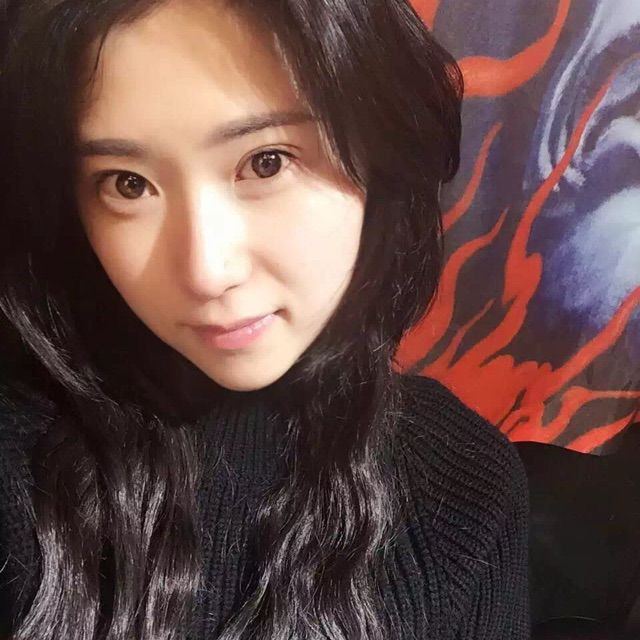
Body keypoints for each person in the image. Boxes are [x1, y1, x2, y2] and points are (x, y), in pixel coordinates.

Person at [0, 0, 530, 638]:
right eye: (128, 184)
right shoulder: (22, 455)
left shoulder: (464, 483)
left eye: (267, 161)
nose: (206, 272)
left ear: (380, 154)